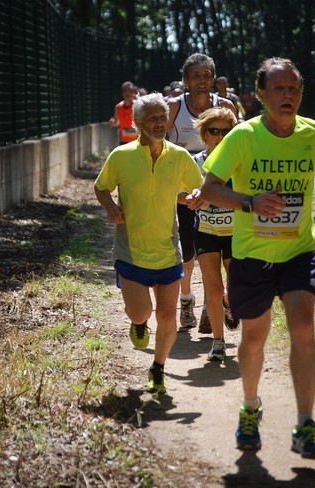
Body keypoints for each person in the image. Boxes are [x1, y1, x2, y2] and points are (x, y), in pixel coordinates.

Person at [201, 57, 315, 459]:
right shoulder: (242, 136)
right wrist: (250, 202)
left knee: (304, 328)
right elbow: (209, 188)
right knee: (255, 337)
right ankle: (250, 408)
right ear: (261, 95)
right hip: (251, 254)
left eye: (293, 88)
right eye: (278, 88)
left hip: (297, 250)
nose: (287, 94)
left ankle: (305, 424)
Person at [95, 92, 203, 394]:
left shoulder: (180, 157)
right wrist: (110, 208)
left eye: (163, 117)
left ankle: (158, 368)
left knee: (167, 315)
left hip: (168, 248)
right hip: (131, 250)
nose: (160, 122)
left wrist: (194, 198)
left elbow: (193, 190)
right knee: (140, 312)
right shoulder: (121, 156)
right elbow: (101, 187)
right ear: (138, 122)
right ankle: (139, 323)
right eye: (153, 118)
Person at [167, 54, 235, 332]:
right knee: (188, 252)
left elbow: (237, 146)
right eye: (196, 76)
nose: (202, 80)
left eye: (207, 75)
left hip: (219, 188)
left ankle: (212, 308)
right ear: (185, 81)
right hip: (186, 190)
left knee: (218, 250)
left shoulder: (226, 106)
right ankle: (186, 300)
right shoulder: (174, 107)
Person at [191, 107, 239, 361]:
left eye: (226, 131)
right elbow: (183, 192)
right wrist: (191, 199)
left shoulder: (240, 163)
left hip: (236, 232)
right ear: (204, 133)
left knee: (235, 287)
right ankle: (218, 343)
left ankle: (230, 303)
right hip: (206, 232)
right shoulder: (196, 162)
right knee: (212, 287)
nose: (220, 136)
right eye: (214, 131)